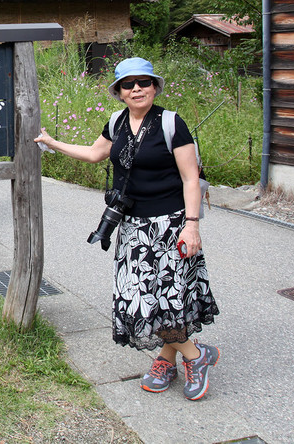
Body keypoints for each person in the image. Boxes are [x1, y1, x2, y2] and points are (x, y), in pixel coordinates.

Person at [34, 57, 220, 400]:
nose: (137, 89)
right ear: (119, 92)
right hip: (132, 226)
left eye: (144, 82)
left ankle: (185, 357)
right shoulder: (117, 122)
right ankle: (187, 354)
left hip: (171, 224)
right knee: (140, 300)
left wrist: (191, 226)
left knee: (169, 300)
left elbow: (191, 178)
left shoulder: (170, 123)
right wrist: (53, 143)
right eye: (128, 84)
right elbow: (94, 154)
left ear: (154, 87)